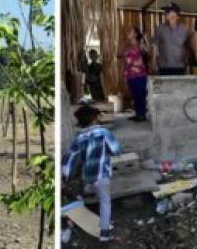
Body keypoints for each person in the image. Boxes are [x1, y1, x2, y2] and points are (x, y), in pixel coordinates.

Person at [62, 105, 123, 242]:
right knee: (105, 202)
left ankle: (77, 206)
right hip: (102, 176)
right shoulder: (104, 133)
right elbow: (116, 149)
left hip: (87, 176)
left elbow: (68, 158)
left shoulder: (79, 137)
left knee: (86, 191)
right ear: (95, 119)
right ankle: (104, 233)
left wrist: (64, 176)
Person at [119, 26, 149, 122]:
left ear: (135, 34)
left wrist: (145, 39)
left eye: (130, 31)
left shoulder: (140, 44)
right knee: (135, 95)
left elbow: (148, 51)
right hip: (129, 74)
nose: (128, 33)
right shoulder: (126, 46)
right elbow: (120, 56)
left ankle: (142, 115)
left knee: (140, 95)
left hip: (140, 75)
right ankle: (138, 114)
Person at [151, 3, 189, 76]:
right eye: (165, 12)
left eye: (168, 12)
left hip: (180, 66)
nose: (165, 13)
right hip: (164, 66)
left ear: (176, 15)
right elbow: (155, 46)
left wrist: (187, 65)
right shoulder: (160, 29)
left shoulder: (184, 30)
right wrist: (153, 62)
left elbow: (187, 48)